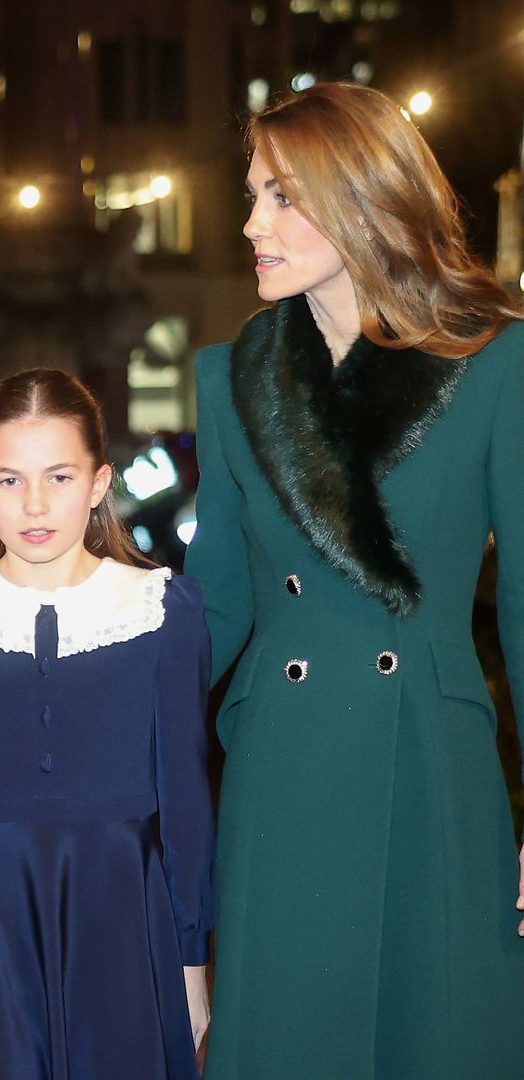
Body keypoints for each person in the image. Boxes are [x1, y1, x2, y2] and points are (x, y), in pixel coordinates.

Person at [188, 81, 524, 1079]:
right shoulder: (227, 376)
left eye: (281, 196)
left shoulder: (496, 362)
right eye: (252, 194)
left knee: (438, 1036)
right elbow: (215, 602)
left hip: (430, 759)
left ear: (364, 200)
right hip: (281, 766)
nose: (251, 222)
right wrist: (96, 710)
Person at [0, 368, 213, 1079]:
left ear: (99, 481)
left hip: (125, 923)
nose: (35, 503)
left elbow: (186, 799)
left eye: (58, 476)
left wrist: (192, 958)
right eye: (11, 479)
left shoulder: (161, 610)